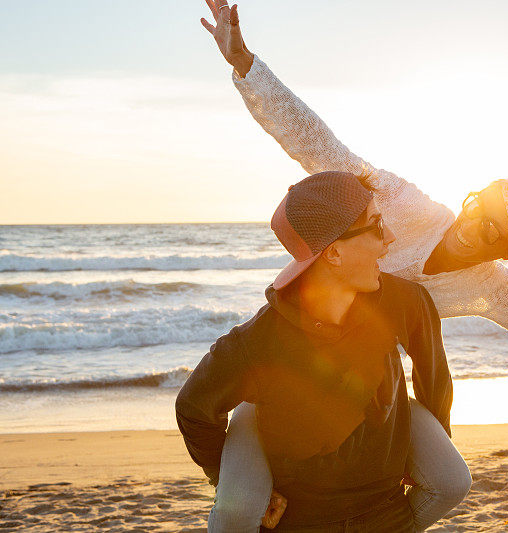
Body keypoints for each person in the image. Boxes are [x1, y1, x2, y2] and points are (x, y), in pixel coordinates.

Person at [198, 1, 508, 529]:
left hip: (372, 386)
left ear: (507, 252)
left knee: (450, 482)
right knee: (242, 508)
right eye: (479, 212)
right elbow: (320, 147)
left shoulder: (489, 286)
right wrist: (246, 65)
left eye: (493, 235)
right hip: (295, 362)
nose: (472, 231)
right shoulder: (405, 204)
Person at [176, 171, 463, 532]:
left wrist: (423, 452)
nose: (390, 237)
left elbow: (433, 374)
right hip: (298, 497)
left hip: (381, 503)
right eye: (375, 226)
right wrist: (226, 477)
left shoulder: (405, 301)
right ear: (334, 254)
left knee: (454, 482)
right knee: (235, 513)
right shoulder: (257, 342)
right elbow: (193, 407)